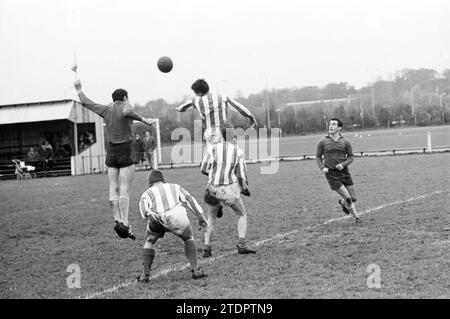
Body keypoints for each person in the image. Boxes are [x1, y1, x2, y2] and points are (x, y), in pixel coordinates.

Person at [74, 78, 154, 240]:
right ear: (125, 97)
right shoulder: (126, 106)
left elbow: (87, 103)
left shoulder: (106, 109)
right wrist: (145, 120)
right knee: (124, 188)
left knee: (113, 187)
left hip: (111, 151)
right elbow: (127, 113)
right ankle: (124, 222)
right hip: (125, 150)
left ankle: (117, 219)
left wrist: (79, 89)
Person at [136, 170, 208, 282]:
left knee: (149, 241)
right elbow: (189, 199)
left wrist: (150, 216)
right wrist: (200, 217)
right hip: (177, 216)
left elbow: (144, 211)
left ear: (150, 183)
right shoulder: (175, 187)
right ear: (164, 180)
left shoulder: (147, 193)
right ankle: (196, 270)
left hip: (157, 218)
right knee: (188, 238)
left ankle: (145, 275)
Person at [200, 121, 256, 257]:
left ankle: (207, 248)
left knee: (211, 217)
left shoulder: (211, 149)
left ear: (222, 135)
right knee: (242, 214)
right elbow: (242, 176)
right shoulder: (238, 151)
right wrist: (245, 188)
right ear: (233, 135)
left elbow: (203, 169)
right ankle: (242, 245)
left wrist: (214, 175)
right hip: (228, 189)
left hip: (212, 188)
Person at [176, 79, 258, 145]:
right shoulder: (222, 97)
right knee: (231, 156)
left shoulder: (196, 100)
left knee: (216, 159)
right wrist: (251, 116)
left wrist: (177, 108)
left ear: (199, 92)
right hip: (226, 130)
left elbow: (182, 108)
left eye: (195, 93)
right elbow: (239, 107)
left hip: (211, 133)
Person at [316, 118, 361, 224]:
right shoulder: (323, 142)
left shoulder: (345, 142)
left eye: (334, 124)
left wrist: (343, 164)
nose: (330, 126)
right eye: (330, 124)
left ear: (339, 128)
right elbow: (318, 157)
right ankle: (357, 218)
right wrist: (322, 167)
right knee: (348, 198)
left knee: (353, 198)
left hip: (344, 172)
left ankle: (342, 202)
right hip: (331, 174)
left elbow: (350, 157)